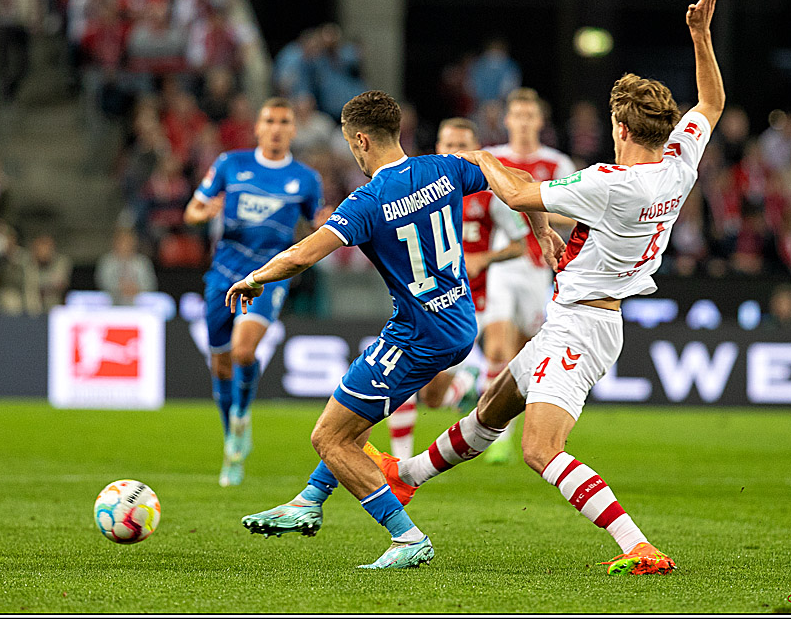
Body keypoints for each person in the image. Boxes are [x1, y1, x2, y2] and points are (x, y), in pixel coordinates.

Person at [366, 0, 725, 577]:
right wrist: (700, 36)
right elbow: (710, 104)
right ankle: (406, 475)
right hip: (580, 317)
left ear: (621, 129)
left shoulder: (611, 183)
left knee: (539, 449)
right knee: (492, 408)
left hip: (582, 327)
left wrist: (478, 157)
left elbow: (518, 193)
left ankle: (638, 545)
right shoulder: (679, 162)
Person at [226, 90, 549, 569]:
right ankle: (309, 500)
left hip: (418, 333)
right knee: (353, 416)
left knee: (329, 437)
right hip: (458, 319)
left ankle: (407, 537)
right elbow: (519, 181)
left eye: (349, 144)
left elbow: (302, 255)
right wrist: (541, 229)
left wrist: (254, 278)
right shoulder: (442, 168)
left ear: (360, 140)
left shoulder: (367, 201)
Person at [183, 97, 325, 487]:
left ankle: (241, 417)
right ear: (258, 127)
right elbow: (192, 210)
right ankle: (232, 440)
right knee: (220, 365)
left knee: (244, 351)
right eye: (270, 121)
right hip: (223, 274)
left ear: (293, 129)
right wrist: (203, 213)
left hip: (268, 275)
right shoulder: (231, 164)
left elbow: (318, 222)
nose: (276, 128)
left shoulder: (306, 178)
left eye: (284, 121)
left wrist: (325, 222)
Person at [386, 117, 529, 460]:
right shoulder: (417, 189)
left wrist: (484, 258)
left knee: (408, 374)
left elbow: (519, 245)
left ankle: (402, 463)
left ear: (476, 150)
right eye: (449, 145)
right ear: (438, 148)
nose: (455, 151)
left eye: (462, 146)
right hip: (424, 298)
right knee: (431, 397)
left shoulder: (488, 193)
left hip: (469, 301)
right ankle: (466, 384)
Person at [478, 86, 577, 464]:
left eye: (528, 115)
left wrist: (533, 208)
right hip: (503, 264)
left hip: (539, 267)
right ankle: (492, 435)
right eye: (516, 115)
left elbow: (574, 212)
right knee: (497, 347)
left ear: (539, 120)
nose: (522, 122)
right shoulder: (494, 159)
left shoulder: (556, 164)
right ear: (507, 120)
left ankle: (502, 426)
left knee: (522, 356)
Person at [95, 227, 158, 305]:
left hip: (139, 304)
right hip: (112, 304)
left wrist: (137, 289)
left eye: (128, 241)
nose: (125, 245)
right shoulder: (106, 262)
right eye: (122, 241)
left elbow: (151, 284)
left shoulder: (143, 262)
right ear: (115, 243)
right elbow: (102, 282)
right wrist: (120, 288)